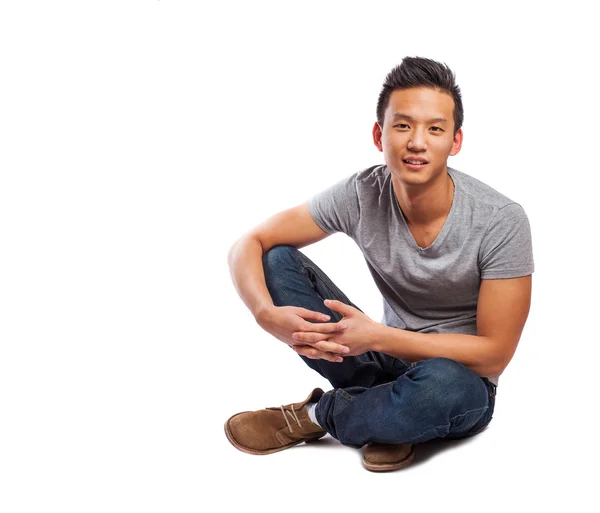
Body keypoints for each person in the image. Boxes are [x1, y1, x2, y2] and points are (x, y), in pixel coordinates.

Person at [224, 56, 534, 472]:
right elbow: (250, 242)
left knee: (440, 388)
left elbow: (494, 356)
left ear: (455, 141)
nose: (417, 142)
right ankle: (386, 416)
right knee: (276, 259)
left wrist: (377, 337)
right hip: (382, 359)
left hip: (460, 380)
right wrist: (265, 315)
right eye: (402, 125)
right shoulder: (362, 192)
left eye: (435, 128)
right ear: (379, 133)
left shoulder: (500, 220)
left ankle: (317, 415)